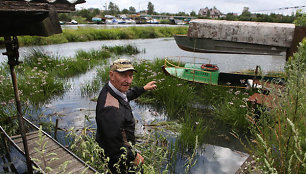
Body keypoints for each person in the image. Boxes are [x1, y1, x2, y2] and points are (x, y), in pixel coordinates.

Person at [95, 59, 157, 173]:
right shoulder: (110, 108)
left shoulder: (113, 89)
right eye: (123, 75)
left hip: (122, 151)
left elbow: (126, 96)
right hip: (117, 157)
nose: (128, 80)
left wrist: (143, 89)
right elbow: (113, 142)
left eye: (131, 76)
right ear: (112, 75)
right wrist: (133, 156)